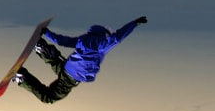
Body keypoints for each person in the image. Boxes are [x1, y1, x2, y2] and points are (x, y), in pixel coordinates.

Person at [14, 16, 147, 103]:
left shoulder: (83, 39)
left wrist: (46, 33)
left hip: (68, 68)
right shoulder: (103, 44)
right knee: (49, 97)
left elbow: (62, 40)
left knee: (57, 63)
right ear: (106, 34)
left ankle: (42, 47)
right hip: (73, 76)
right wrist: (134, 23)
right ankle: (23, 77)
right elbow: (118, 37)